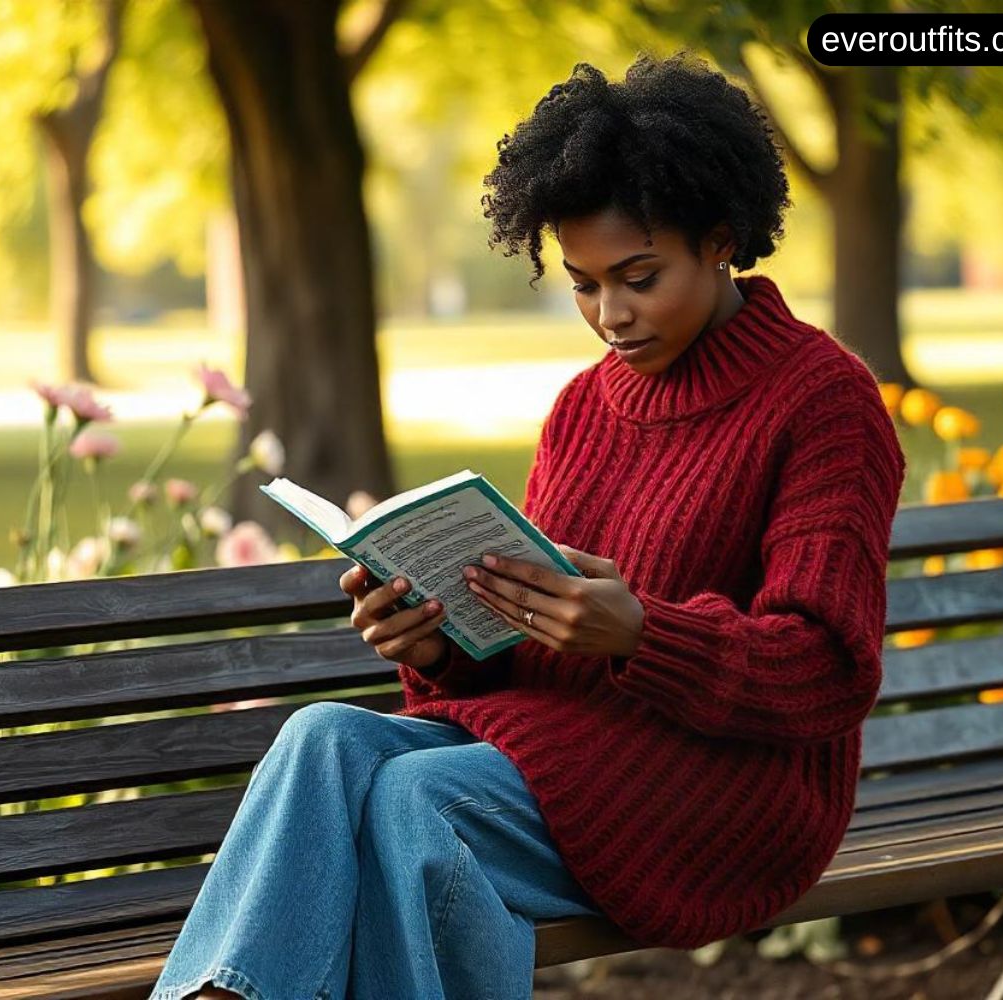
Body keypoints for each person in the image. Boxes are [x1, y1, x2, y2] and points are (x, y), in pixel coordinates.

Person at [148, 49, 906, 1000]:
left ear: (721, 239)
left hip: (733, 788)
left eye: (638, 276)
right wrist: (433, 643)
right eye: (584, 285)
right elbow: (518, 656)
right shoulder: (585, 410)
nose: (611, 316)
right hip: (560, 752)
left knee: (418, 801)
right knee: (324, 738)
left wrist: (643, 633)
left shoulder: (823, 399)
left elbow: (827, 672)